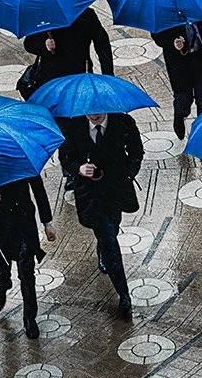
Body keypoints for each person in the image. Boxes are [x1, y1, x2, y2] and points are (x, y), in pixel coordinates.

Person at [58, 111, 143, 319]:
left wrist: (127, 174)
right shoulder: (74, 126)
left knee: (111, 228)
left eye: (98, 111)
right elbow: (65, 157)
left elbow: (136, 152)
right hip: (90, 196)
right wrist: (78, 168)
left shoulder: (123, 123)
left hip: (115, 191)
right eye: (89, 111)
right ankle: (124, 294)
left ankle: (103, 250)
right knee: (109, 239)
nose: (93, 115)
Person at [0, 176, 57, 338]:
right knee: (0, 273)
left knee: (27, 275)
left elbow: (38, 189)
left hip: (23, 226)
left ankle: (30, 318)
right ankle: (3, 285)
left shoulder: (21, 157)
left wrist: (47, 223)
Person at [151, 11, 202, 140]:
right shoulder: (163, 9)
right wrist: (172, 42)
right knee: (183, 98)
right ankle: (179, 115)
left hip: (201, 59)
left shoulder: (199, 0)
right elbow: (157, 34)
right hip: (178, 62)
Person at [19, 7, 114, 99]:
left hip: (80, 74)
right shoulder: (42, 18)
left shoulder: (86, 15)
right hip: (52, 78)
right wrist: (44, 45)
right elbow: (29, 44)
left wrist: (108, 76)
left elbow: (102, 45)